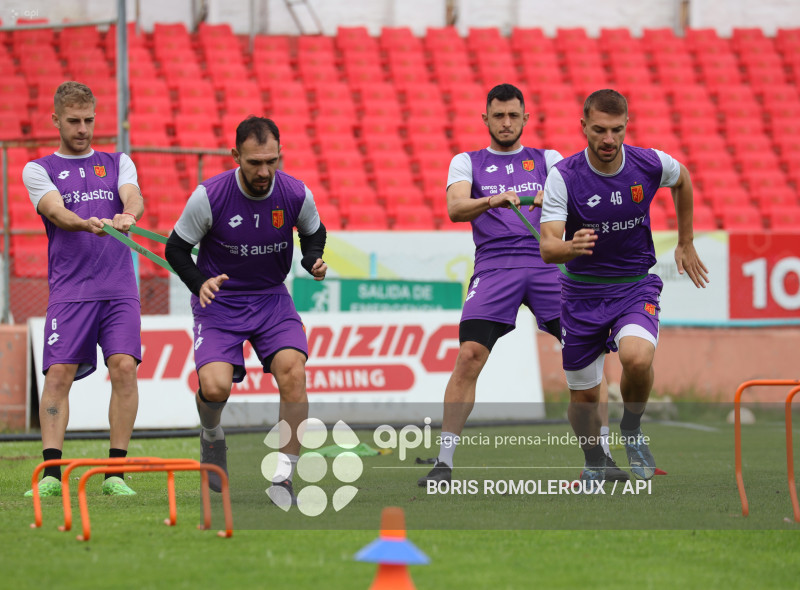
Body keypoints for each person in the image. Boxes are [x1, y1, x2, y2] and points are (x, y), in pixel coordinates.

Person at [418, 84, 627, 487]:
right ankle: (444, 462)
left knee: (588, 355)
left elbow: (579, 196)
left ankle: (599, 457)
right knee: (469, 356)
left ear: (526, 118)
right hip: (495, 267)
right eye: (498, 116)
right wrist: (492, 201)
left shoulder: (547, 159)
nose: (507, 123)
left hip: (548, 262)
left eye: (514, 115)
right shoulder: (467, 162)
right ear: (486, 119)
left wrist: (544, 201)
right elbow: (455, 207)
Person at [539, 89, 709, 484]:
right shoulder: (564, 176)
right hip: (581, 295)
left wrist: (686, 240)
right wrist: (569, 246)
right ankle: (595, 458)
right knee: (583, 398)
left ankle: (631, 428)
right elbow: (548, 247)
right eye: (599, 130)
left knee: (636, 358)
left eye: (616, 130)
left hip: (634, 288)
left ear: (626, 125)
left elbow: (683, 178)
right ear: (583, 127)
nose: (608, 139)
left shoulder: (648, 163)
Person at [164, 116, 327, 505]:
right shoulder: (210, 196)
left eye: (272, 160)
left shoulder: (295, 193)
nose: (264, 170)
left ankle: (284, 476)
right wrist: (197, 281)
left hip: (271, 298)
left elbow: (313, 232)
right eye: (254, 162)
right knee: (215, 387)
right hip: (219, 303)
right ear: (235, 155)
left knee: (293, 372)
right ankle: (212, 435)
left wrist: (313, 259)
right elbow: (175, 248)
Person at [22, 81, 143, 497]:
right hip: (71, 290)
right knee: (58, 375)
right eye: (73, 121)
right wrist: (84, 221)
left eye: (89, 120)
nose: (83, 128)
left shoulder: (117, 161)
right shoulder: (38, 169)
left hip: (119, 288)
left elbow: (133, 195)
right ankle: (52, 474)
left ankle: (115, 474)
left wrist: (127, 214)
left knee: (125, 368)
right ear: (56, 119)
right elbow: (55, 210)